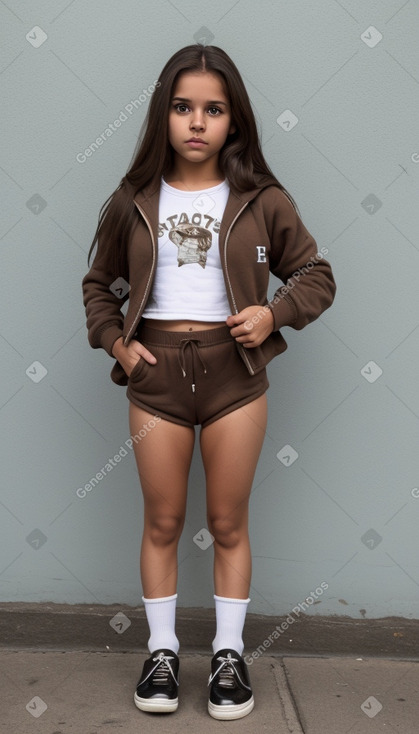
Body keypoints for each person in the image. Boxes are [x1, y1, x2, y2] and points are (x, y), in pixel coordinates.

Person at [82, 43, 336, 720]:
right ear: (162, 116)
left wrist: (272, 312)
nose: (196, 121)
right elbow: (98, 287)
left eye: (213, 109)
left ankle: (228, 655)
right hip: (156, 379)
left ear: (234, 121)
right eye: (182, 107)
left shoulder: (263, 199)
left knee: (227, 520)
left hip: (234, 378)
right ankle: (161, 652)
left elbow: (316, 275)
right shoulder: (131, 200)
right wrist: (118, 345)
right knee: (162, 519)